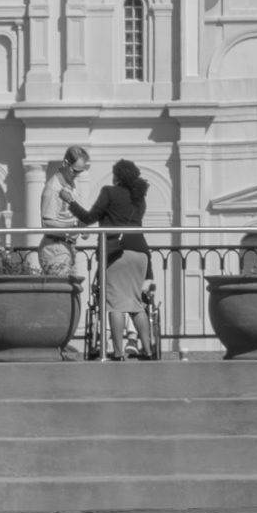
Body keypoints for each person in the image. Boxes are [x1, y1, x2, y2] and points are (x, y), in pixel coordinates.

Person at [82, 158, 154, 358]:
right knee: (136, 304)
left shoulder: (109, 192)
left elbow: (91, 216)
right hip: (141, 252)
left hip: (117, 252)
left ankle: (118, 351)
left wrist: (71, 204)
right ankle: (148, 350)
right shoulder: (139, 198)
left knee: (116, 305)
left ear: (117, 176)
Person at [37, 145, 93, 358]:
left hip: (67, 246)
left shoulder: (69, 184)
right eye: (76, 170)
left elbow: (68, 215)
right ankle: (53, 347)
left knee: (69, 298)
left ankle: (60, 345)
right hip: (55, 247)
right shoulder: (53, 188)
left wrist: (80, 225)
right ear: (65, 163)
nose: (78, 174)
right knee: (59, 300)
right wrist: (73, 227)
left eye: (81, 171)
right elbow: (47, 223)